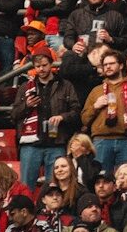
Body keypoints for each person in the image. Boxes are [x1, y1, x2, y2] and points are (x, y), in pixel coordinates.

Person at [11, 48, 81, 190]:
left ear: (51, 64)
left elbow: (77, 111)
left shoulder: (65, 85)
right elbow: (14, 114)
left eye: (44, 65)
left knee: (56, 187)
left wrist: (62, 117)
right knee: (25, 187)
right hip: (31, 144)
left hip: (57, 142)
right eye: (38, 66)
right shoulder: (25, 87)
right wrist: (27, 105)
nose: (41, 69)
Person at [81, 50, 127, 175]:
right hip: (101, 141)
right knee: (101, 180)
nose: (108, 67)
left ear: (121, 66)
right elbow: (84, 119)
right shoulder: (96, 91)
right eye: (105, 65)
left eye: (111, 63)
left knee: (126, 182)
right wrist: (96, 106)